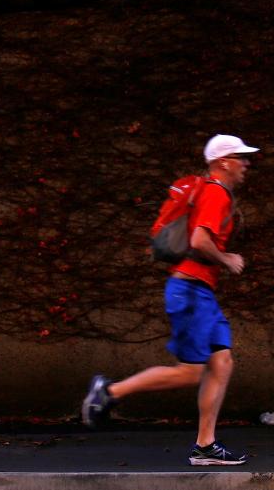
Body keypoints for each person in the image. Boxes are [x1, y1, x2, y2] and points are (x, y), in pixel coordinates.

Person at [81, 134, 258, 466]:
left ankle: (205, 446)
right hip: (190, 292)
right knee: (190, 373)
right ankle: (109, 392)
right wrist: (226, 259)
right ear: (223, 162)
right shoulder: (215, 193)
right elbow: (200, 239)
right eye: (241, 157)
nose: (247, 163)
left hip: (200, 292)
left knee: (222, 362)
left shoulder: (213, 191)